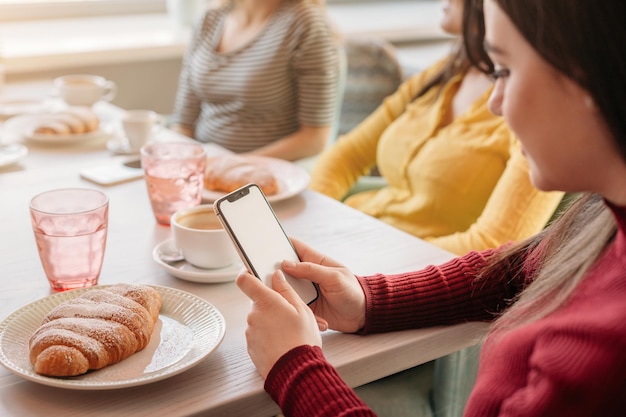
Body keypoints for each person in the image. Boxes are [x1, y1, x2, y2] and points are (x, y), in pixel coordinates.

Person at [235, 0, 626, 416]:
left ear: (594, 72)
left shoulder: (602, 356)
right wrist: (369, 300)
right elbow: (517, 268)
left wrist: (295, 368)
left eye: (505, 70)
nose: (496, 103)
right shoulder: (601, 217)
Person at [309, 0, 563, 256]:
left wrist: (373, 251)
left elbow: (495, 243)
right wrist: (313, 223)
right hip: (354, 238)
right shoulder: (445, 72)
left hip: (405, 269)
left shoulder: (534, 110)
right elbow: (347, 155)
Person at [169, 0, 339, 161]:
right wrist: (185, 162)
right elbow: (184, 122)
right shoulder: (209, 19)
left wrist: (236, 164)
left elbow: (315, 139)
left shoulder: (305, 23)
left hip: (265, 174)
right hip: (204, 166)